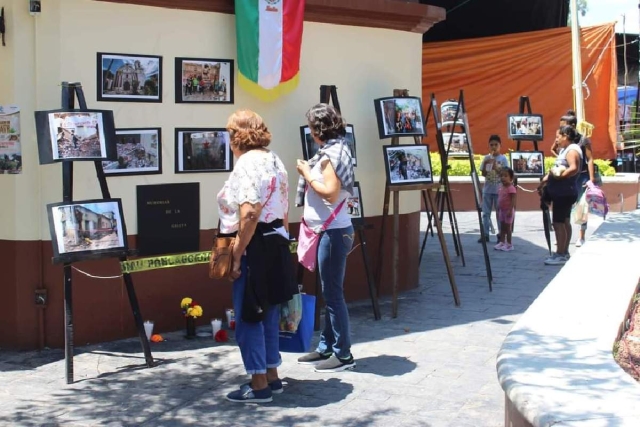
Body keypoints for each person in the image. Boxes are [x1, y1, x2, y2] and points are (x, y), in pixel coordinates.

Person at [217, 110, 296, 403]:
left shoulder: (247, 163)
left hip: (256, 242)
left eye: (229, 135)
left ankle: (258, 383)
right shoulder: (274, 159)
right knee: (270, 312)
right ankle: (272, 375)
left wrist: (237, 254)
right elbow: (284, 207)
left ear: (238, 136)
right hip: (276, 240)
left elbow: (249, 213)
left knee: (249, 315)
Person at [295, 103, 356, 372]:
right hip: (330, 230)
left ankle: (343, 355)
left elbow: (330, 192)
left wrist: (307, 174)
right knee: (329, 292)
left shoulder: (329, 155)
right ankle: (325, 348)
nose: (310, 134)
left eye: (311, 128)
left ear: (318, 129)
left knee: (333, 294)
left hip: (333, 231)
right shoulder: (337, 149)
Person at [539, 125, 582, 265]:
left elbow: (573, 168)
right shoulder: (565, 150)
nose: (556, 140)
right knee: (562, 222)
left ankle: (561, 254)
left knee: (558, 223)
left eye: (558, 137)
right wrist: (542, 183)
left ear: (566, 136)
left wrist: (559, 176)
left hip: (564, 192)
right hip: (561, 192)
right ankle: (563, 252)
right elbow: (555, 170)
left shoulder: (572, 150)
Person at [560, 111, 598, 247]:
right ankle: (563, 235)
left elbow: (590, 159)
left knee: (581, 206)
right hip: (568, 176)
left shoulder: (583, 140)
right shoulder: (564, 141)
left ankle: (581, 236)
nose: (560, 130)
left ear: (572, 126)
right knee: (565, 205)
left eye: (563, 126)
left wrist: (591, 178)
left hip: (581, 176)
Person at [478, 135, 508, 243]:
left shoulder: (503, 159)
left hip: (499, 190)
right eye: (491, 145)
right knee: (485, 213)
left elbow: (506, 174)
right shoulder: (486, 158)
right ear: (488, 146)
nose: (494, 147)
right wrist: (486, 164)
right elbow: (484, 174)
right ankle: (485, 234)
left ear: (500, 146)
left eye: (496, 145)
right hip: (487, 190)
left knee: (499, 213)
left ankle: (501, 234)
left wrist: (496, 166)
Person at [494, 167, 517, 252]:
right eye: (501, 176)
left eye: (506, 176)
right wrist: (498, 209)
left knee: (508, 228)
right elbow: (500, 199)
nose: (503, 178)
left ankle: (509, 244)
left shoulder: (511, 188)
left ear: (511, 178)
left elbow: (513, 200)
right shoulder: (501, 188)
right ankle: (502, 242)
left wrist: (510, 210)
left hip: (508, 211)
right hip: (502, 211)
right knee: (502, 227)